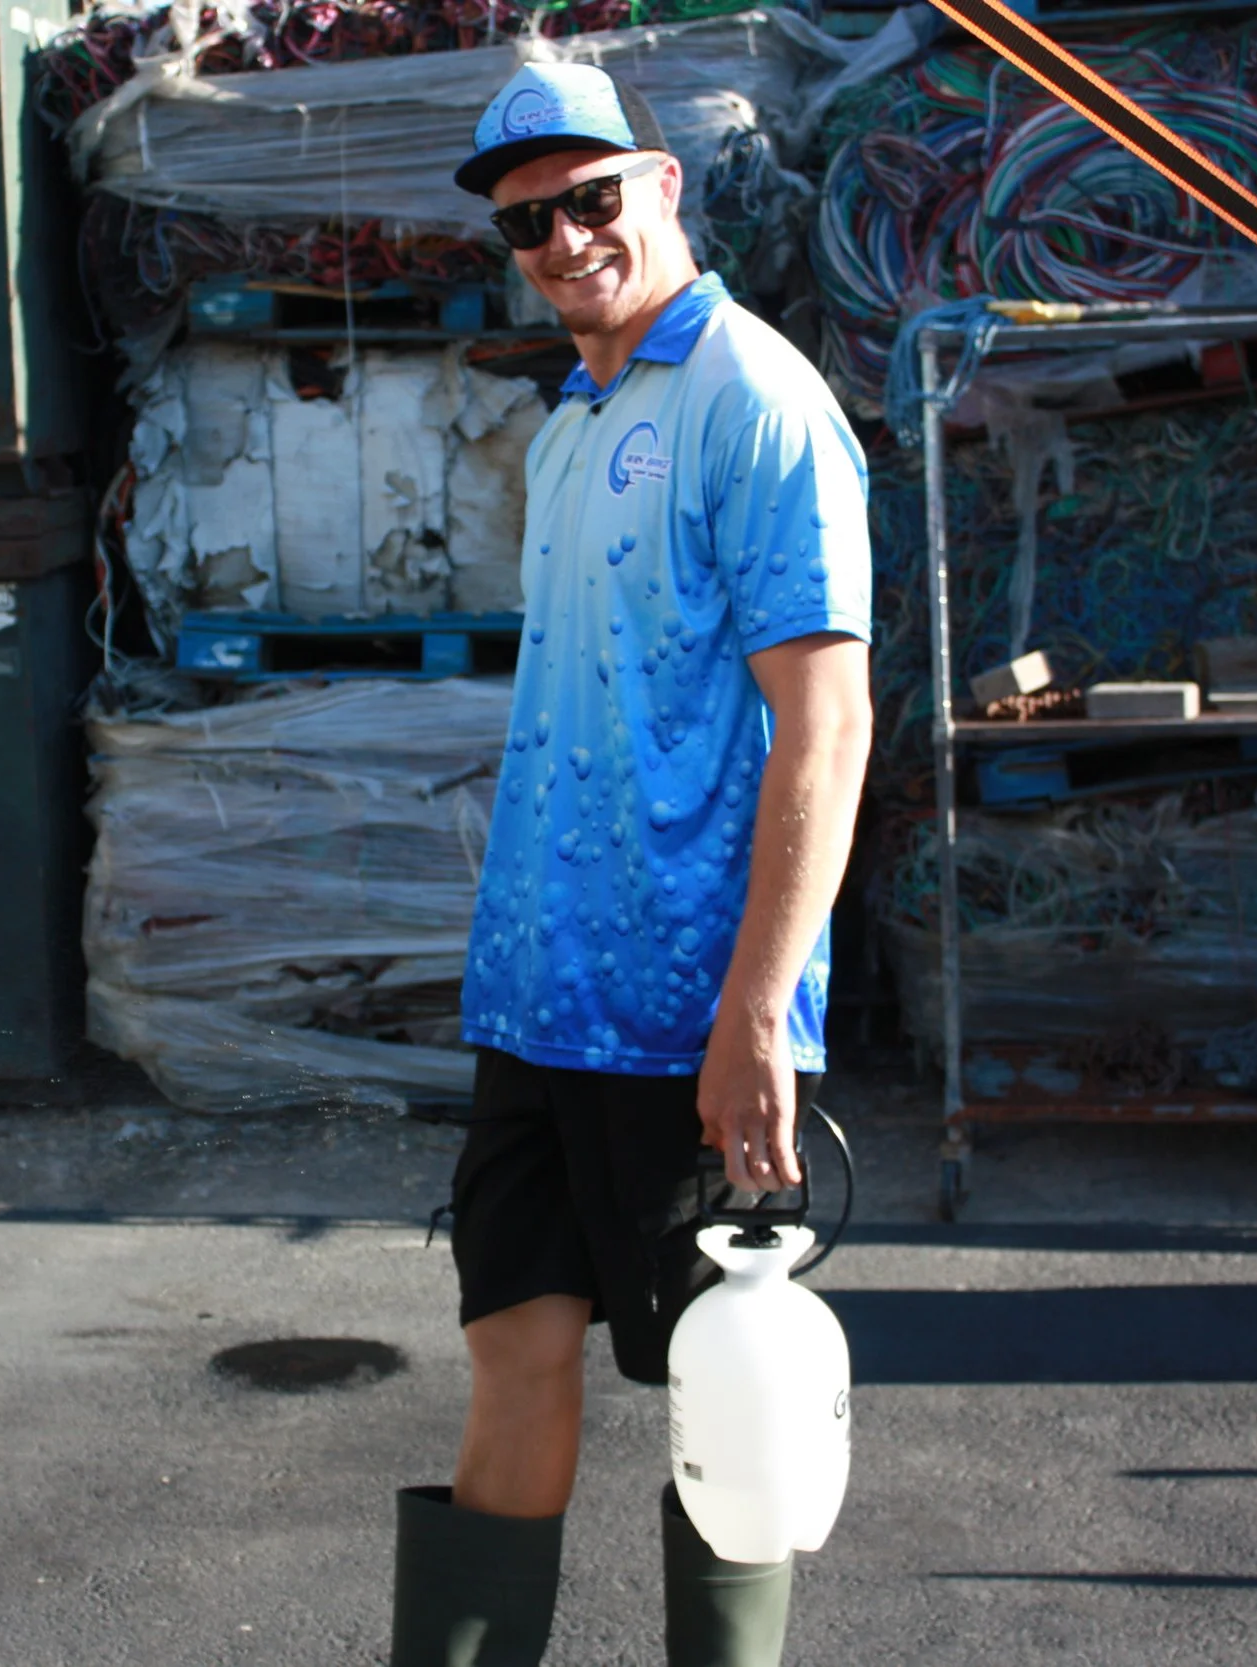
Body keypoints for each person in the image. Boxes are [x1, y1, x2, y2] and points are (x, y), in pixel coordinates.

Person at [389, 60, 876, 1667]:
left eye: (591, 199)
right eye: (527, 222)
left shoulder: (755, 400)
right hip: (539, 1004)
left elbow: (827, 724)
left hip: (687, 1020)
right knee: (512, 1352)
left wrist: (759, 1012)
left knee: (722, 1401)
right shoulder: (573, 426)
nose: (564, 240)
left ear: (662, 187)